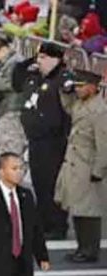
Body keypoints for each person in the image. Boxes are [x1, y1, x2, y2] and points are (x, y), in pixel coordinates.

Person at [12, 43, 71, 239]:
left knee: (51, 183)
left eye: (44, 58)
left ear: (56, 59)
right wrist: (32, 60)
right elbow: (17, 78)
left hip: (53, 141)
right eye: (39, 57)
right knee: (39, 182)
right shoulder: (36, 77)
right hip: (36, 139)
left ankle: (57, 224)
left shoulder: (61, 79)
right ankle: (45, 221)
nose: (40, 62)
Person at [54, 69, 106, 263]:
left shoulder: (100, 111)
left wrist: (99, 170)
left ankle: (90, 249)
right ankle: (81, 247)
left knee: (89, 210)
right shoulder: (82, 104)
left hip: (88, 163)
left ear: (93, 87)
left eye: (81, 86)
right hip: (75, 162)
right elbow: (70, 109)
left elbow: (104, 143)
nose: (78, 90)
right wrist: (64, 92)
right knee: (77, 208)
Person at [0, 34, 27, 161]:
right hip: (9, 107)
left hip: (12, 108)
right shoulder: (14, 61)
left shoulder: (15, 63)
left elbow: (10, 83)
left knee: (9, 145)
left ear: (2, 49)